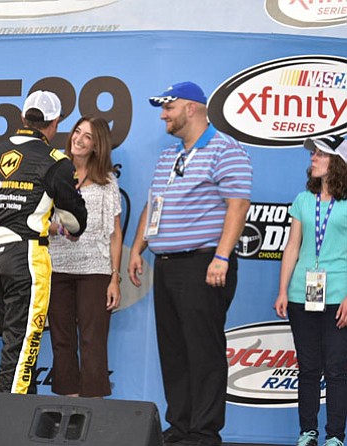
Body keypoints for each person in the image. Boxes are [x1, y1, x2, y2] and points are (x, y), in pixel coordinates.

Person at [126, 81, 252, 446]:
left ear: (192, 108)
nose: (163, 115)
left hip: (203, 264)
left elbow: (238, 205)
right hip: (165, 264)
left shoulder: (226, 149)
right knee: (174, 350)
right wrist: (137, 248)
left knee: (203, 350)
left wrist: (222, 256)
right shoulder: (170, 155)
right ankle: (180, 427)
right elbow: (153, 203)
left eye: (169, 107)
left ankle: (204, 432)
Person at [0, 90, 88, 395]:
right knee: (23, 346)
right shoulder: (55, 161)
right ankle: (3, 427)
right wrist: (59, 224)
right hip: (27, 257)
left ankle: (23, 419)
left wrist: (1, 233)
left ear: (22, 118)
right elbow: (75, 222)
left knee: (15, 342)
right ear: (55, 123)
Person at [274, 135, 347, 446]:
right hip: (300, 296)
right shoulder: (304, 200)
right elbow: (292, 247)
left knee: (336, 369)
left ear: (337, 163)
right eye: (313, 154)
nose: (313, 158)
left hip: (337, 297)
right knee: (308, 367)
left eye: (320, 154)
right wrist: (282, 291)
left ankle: (334, 436)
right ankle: (308, 432)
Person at [47, 116, 122, 397]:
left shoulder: (107, 182)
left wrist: (115, 277)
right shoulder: (55, 173)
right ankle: (69, 404)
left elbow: (115, 233)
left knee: (93, 340)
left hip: (96, 270)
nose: (78, 138)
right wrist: (56, 228)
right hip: (57, 267)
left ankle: (93, 408)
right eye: (77, 131)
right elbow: (40, 220)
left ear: (96, 145)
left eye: (87, 136)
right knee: (61, 339)